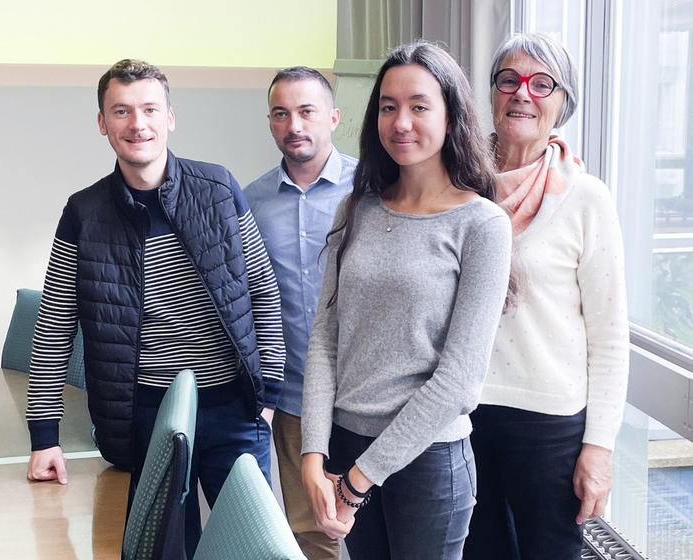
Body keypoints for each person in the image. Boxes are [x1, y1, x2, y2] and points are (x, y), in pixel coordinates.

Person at [24, 59, 285, 556]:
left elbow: (262, 291)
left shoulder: (218, 189)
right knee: (159, 551)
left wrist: (266, 398)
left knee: (251, 549)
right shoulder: (84, 213)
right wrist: (44, 438)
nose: (136, 124)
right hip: (145, 416)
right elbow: (54, 329)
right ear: (103, 123)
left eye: (149, 109)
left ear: (170, 117)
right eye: (121, 111)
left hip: (233, 408)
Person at [300, 41, 513, 560]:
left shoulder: (482, 224)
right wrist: (313, 452)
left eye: (419, 106)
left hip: (427, 461)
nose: (401, 122)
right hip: (345, 448)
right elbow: (326, 338)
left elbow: (460, 380)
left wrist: (358, 480)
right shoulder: (357, 210)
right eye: (389, 106)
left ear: (451, 114)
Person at [463, 33, 629, 560]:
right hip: (460, 411)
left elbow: (609, 335)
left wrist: (598, 450)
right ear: (491, 94)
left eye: (542, 83)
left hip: (551, 425)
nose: (522, 94)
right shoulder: (456, 182)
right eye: (508, 80)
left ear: (563, 103)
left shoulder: (585, 198)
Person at [244, 66, 356, 560]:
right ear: (270, 122)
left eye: (307, 111)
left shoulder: (374, 190)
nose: (295, 126)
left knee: (379, 531)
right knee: (311, 532)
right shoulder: (250, 203)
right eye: (281, 114)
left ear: (332, 116)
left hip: (364, 396)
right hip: (293, 399)